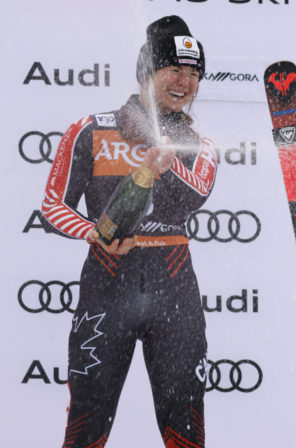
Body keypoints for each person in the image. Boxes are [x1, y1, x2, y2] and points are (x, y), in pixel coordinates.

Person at [41, 15, 217, 448]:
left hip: (172, 283)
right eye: (174, 69)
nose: (185, 82)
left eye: (194, 74)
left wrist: (167, 159)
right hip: (108, 281)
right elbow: (51, 205)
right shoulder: (90, 129)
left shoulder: (201, 145)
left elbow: (196, 194)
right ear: (146, 72)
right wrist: (94, 232)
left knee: (186, 426)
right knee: (87, 422)